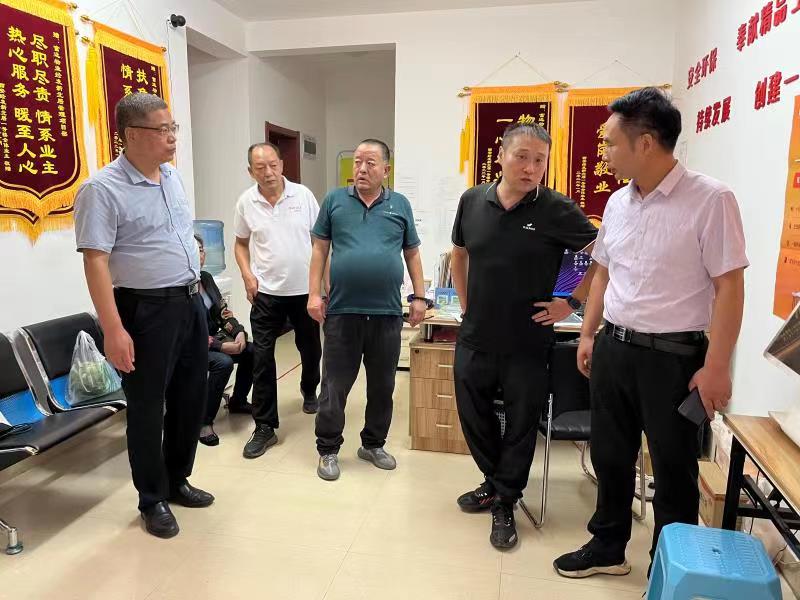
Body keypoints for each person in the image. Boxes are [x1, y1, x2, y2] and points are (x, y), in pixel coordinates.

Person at [553, 87, 748, 578]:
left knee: (673, 466)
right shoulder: (618, 202)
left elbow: (729, 286)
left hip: (674, 358)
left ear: (645, 143)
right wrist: (588, 334)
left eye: (610, 142)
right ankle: (608, 547)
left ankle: (669, 568)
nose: (603, 151)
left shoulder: (711, 199)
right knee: (610, 454)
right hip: (614, 349)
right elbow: (603, 271)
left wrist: (716, 368)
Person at [450, 122, 599, 549]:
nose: (531, 168)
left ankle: (504, 500)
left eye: (540, 160)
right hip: (476, 335)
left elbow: (598, 253)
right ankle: (495, 482)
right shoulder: (472, 200)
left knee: (520, 424)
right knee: (473, 413)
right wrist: (466, 305)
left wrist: (570, 301)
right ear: (501, 155)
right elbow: (459, 254)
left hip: (528, 340)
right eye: (522, 157)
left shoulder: (555, 208)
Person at [74, 93, 213, 539]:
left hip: (190, 302)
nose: (172, 138)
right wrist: (113, 329)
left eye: (174, 128)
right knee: (148, 407)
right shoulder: (102, 189)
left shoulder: (171, 176)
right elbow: (96, 262)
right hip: (145, 309)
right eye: (163, 130)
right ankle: (152, 499)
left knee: (190, 397)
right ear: (132, 135)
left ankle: (177, 480)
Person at [308, 138, 427, 481]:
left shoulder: (399, 204)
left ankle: (373, 444)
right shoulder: (334, 200)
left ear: (386, 170)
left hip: (387, 314)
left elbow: (412, 253)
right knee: (334, 386)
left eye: (370, 163)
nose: (361, 168)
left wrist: (419, 297)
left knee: (382, 386)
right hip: (342, 312)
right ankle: (328, 449)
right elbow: (319, 250)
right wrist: (314, 294)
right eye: (357, 162)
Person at [234, 143, 323, 459]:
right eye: (260, 167)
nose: (268, 172)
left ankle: (309, 387)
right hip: (266, 294)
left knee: (310, 349)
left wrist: (320, 286)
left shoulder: (303, 196)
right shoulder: (246, 202)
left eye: (273, 165)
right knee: (262, 358)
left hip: (303, 291)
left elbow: (320, 242)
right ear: (251, 171)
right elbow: (240, 244)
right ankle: (265, 426)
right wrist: (247, 275)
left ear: (282, 165)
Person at [194, 234, 254, 447]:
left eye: (201, 250)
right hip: (190, 346)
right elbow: (186, 330)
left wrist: (238, 332)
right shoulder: (179, 286)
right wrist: (220, 346)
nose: (199, 255)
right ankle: (203, 421)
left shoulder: (206, 278)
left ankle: (238, 401)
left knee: (251, 350)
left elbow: (222, 311)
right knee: (223, 362)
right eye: (194, 250)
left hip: (212, 340)